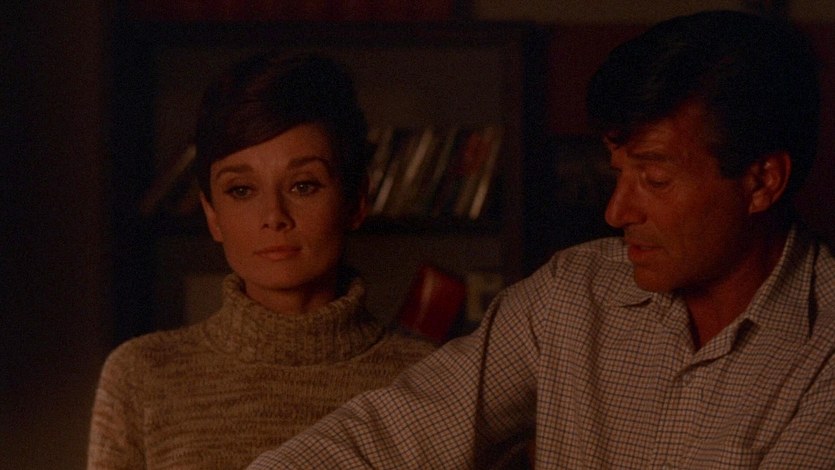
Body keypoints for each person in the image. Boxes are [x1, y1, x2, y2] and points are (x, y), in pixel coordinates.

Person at [248, 10, 835, 469]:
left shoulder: (822, 353)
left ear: (763, 181)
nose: (616, 211)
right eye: (617, 174)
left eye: (655, 179)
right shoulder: (572, 293)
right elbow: (392, 433)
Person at [86, 53, 436, 469]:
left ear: (356, 201)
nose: (274, 216)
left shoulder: (428, 379)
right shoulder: (142, 375)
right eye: (241, 190)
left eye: (303, 185)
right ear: (212, 214)